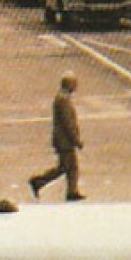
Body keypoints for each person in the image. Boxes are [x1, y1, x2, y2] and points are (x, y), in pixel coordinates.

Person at [28, 73, 85, 201]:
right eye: (74, 84)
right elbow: (67, 123)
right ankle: (39, 182)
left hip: (63, 140)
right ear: (69, 84)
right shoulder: (63, 99)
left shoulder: (62, 98)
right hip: (64, 141)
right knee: (66, 167)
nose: (76, 87)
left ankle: (72, 191)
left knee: (70, 167)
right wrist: (76, 140)